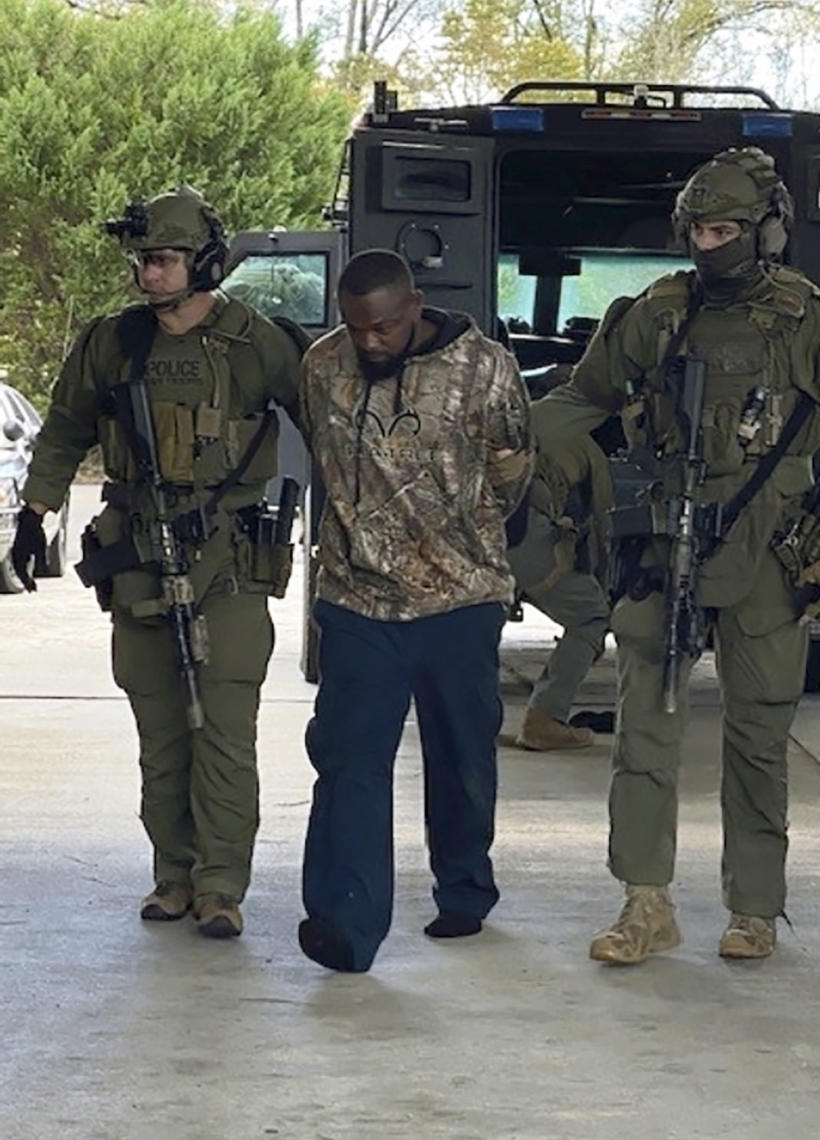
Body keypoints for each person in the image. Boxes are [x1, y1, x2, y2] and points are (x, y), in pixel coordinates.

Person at [540, 148, 820, 964]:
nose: (709, 245)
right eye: (698, 229)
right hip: (666, 547)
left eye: (726, 229)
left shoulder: (810, 319)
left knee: (759, 734)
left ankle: (755, 908)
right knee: (645, 732)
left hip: (770, 554)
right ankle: (644, 902)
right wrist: (515, 453)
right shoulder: (658, 313)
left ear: (766, 229)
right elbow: (584, 397)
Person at [11, 186, 305, 939]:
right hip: (140, 549)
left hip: (231, 557)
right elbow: (66, 426)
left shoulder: (256, 342)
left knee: (226, 728)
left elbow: (324, 421)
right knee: (160, 728)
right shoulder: (113, 343)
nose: (150, 276)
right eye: (144, 261)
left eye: (166, 261)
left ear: (204, 261)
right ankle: (173, 873)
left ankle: (220, 886)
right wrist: (34, 514)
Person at [296, 249, 532, 973]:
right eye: (358, 327)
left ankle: (464, 888)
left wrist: (464, 539)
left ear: (416, 306)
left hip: (459, 598)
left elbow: (512, 469)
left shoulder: (484, 367)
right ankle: (345, 921)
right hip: (358, 602)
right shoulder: (321, 366)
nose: (371, 342)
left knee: (461, 756)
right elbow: (324, 460)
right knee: (348, 763)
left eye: (386, 329)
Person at [506, 393, 614, 750]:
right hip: (521, 529)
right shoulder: (586, 446)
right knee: (590, 616)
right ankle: (545, 719)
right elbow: (601, 531)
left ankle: (468, 720)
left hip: (474, 527)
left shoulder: (526, 416)